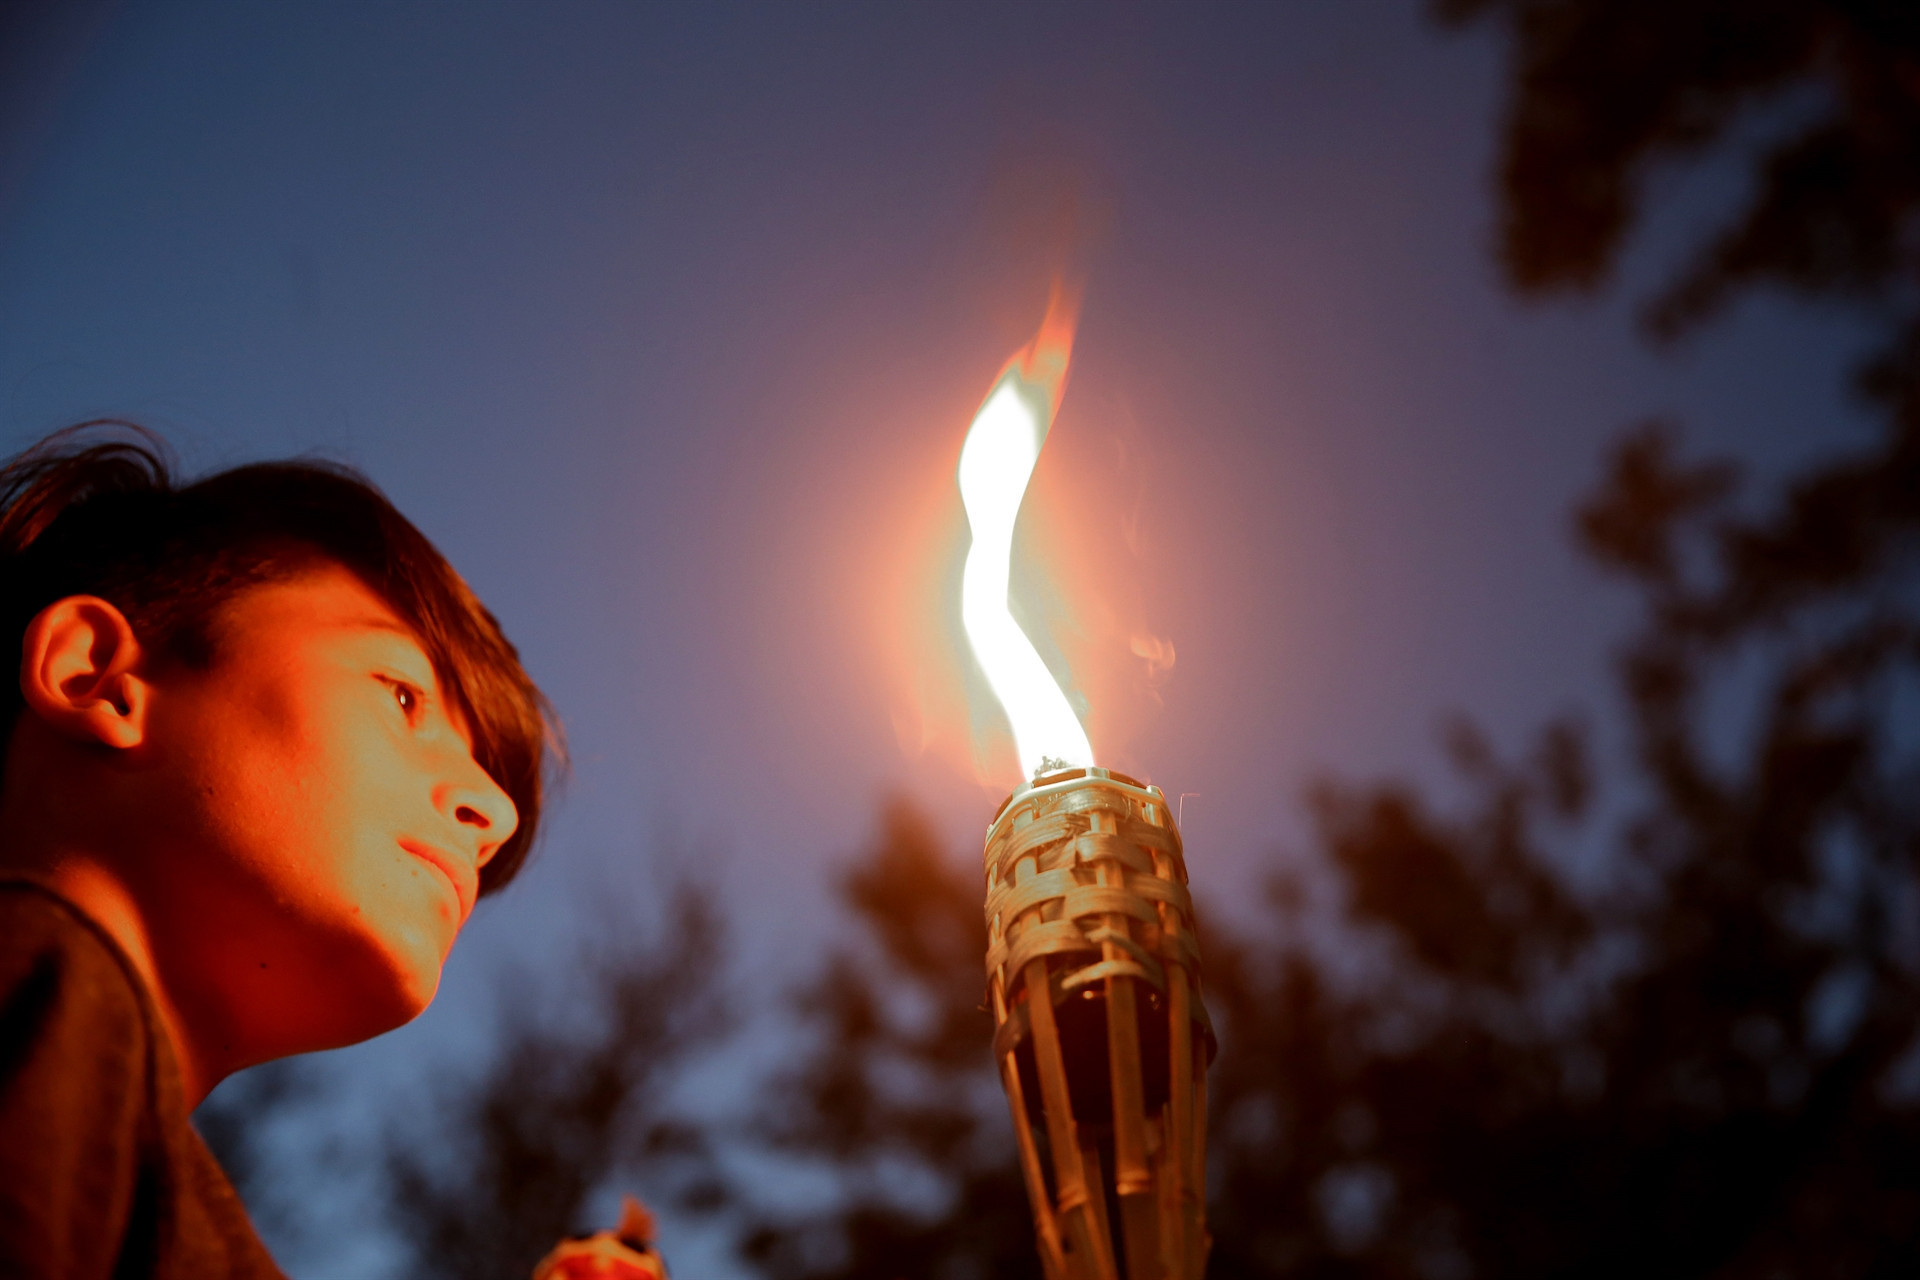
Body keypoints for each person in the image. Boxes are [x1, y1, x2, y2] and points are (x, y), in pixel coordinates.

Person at [0, 423, 561, 1278]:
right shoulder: (49, 988)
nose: (493, 812)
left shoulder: (148, 1195)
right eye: (404, 697)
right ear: (97, 675)